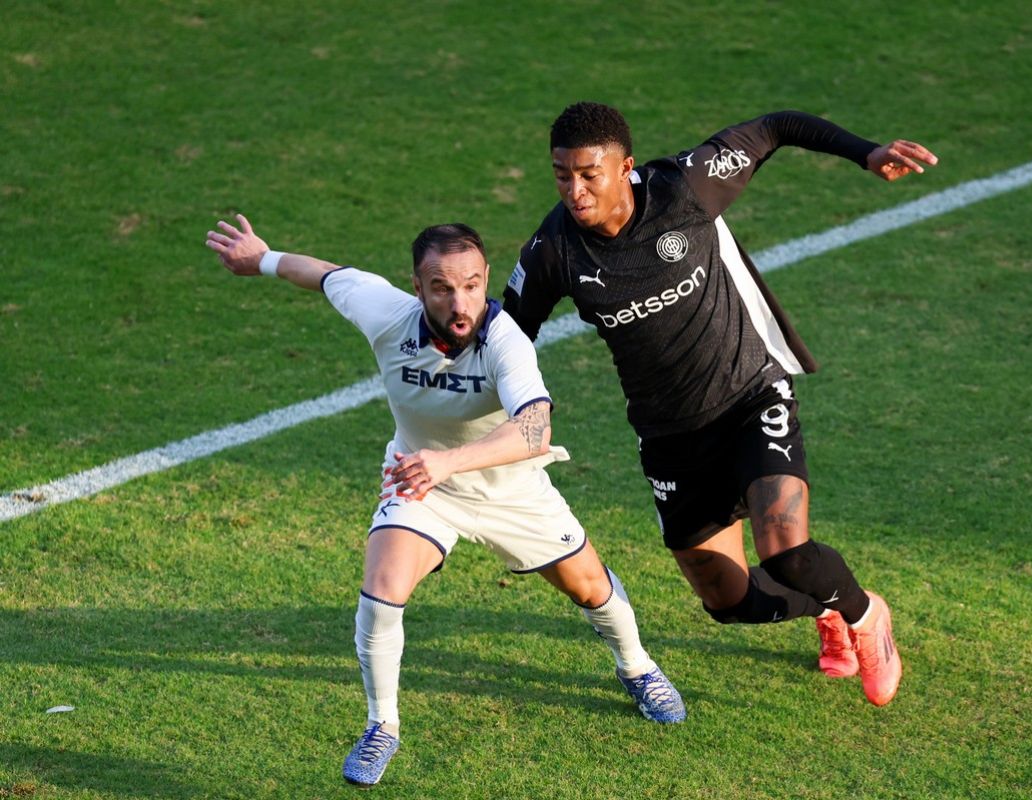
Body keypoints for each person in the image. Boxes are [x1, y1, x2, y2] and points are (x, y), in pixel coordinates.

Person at [205, 215, 686, 788]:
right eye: (442, 288)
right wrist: (260, 258)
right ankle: (382, 725)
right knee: (382, 591)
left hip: (510, 490)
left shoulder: (506, 341)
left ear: (485, 279)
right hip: (421, 483)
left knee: (590, 588)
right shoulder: (385, 313)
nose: (460, 303)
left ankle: (637, 666)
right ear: (417, 287)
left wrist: (448, 461)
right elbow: (325, 274)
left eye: (472, 285)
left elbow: (535, 429)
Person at [502, 102, 939, 708]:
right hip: (670, 438)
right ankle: (827, 609)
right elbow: (508, 337)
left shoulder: (685, 186)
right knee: (726, 601)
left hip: (750, 396)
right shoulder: (554, 250)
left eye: (588, 175)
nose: (574, 192)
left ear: (625, 168)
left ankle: (866, 617)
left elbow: (776, 127)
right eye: (561, 176)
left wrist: (865, 152)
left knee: (786, 551)